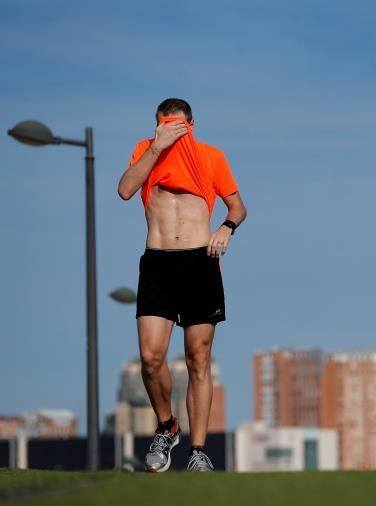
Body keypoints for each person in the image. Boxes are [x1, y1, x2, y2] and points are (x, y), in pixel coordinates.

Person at [117, 98, 247, 472]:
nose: (172, 130)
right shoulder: (146, 151)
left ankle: (198, 451)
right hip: (158, 262)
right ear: (157, 124)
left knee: (198, 358)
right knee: (151, 356)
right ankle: (167, 426)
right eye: (165, 124)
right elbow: (125, 190)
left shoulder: (210, 157)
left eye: (178, 125)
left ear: (192, 125)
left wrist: (226, 227)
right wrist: (156, 147)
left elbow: (238, 207)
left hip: (199, 262)